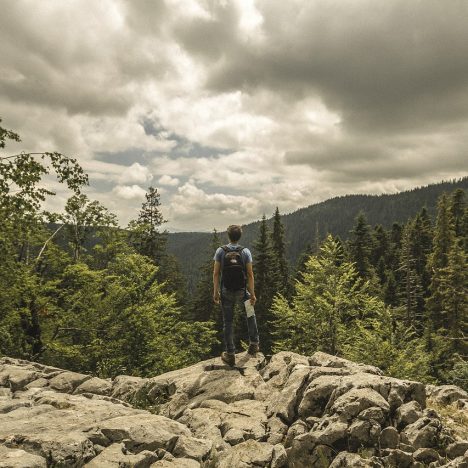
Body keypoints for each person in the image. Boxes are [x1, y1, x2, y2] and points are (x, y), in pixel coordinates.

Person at [213, 224, 259, 366]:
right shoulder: (245, 252)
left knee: (228, 322)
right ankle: (254, 344)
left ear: (228, 235)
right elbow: (250, 274)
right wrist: (252, 294)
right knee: (250, 315)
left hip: (226, 292)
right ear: (240, 236)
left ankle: (230, 354)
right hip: (242, 291)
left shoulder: (221, 251)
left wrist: (216, 292)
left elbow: (215, 273)